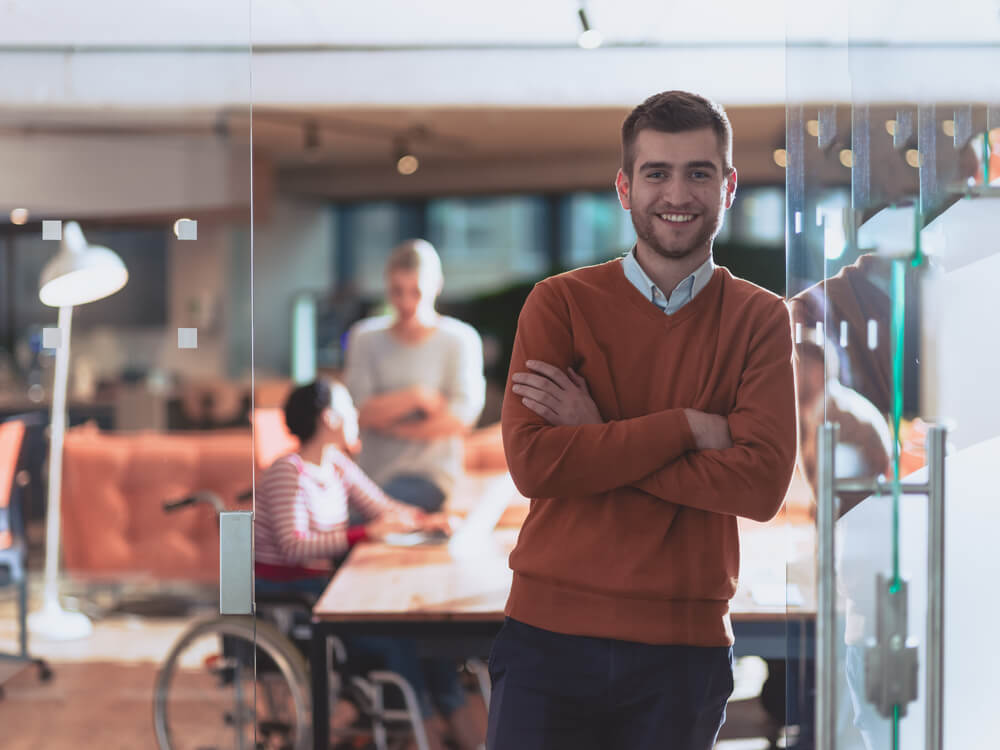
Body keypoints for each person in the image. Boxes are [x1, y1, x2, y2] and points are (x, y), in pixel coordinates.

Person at [487, 91, 798, 750]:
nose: (677, 192)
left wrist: (598, 437)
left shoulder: (760, 319)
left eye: (699, 172)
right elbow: (536, 466)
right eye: (656, 172)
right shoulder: (559, 305)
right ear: (625, 188)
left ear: (729, 186)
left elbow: (761, 486)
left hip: (681, 651)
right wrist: (686, 426)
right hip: (548, 638)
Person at [253, 379, 465, 750]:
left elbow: (383, 507)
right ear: (330, 418)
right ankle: (424, 730)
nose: (357, 415)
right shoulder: (289, 471)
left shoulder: (336, 464)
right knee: (394, 637)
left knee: (412, 634)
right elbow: (292, 546)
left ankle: (430, 723)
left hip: (325, 587)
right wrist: (362, 535)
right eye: (350, 407)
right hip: (292, 594)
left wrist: (425, 520)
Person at [344, 238, 486, 513]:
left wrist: (394, 427)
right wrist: (417, 397)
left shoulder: (460, 339)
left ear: (437, 286)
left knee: (367, 516)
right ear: (386, 286)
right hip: (368, 479)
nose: (406, 302)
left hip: (431, 479)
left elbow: (460, 418)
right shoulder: (364, 337)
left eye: (416, 292)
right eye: (397, 291)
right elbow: (359, 411)